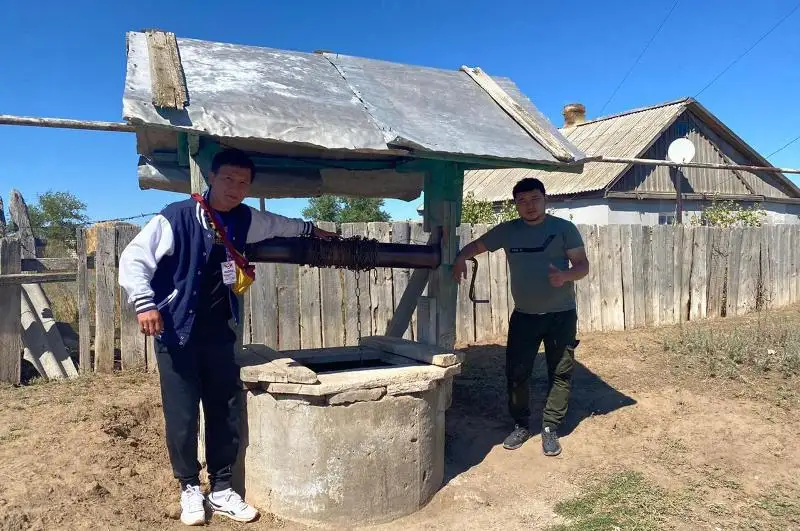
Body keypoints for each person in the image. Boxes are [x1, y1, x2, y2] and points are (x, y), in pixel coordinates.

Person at [118, 149, 336, 526]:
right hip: (176, 333)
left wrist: (310, 229)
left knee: (224, 409)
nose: (235, 188)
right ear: (212, 178)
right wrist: (144, 303)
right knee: (183, 414)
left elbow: (278, 224)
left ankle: (221, 488)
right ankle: (189, 487)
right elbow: (135, 259)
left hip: (221, 332)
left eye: (243, 182)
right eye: (228, 179)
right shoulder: (177, 217)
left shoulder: (245, 219)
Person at [452, 177, 589, 456]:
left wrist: (565, 276)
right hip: (524, 316)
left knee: (560, 372)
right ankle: (521, 425)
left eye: (535, 199)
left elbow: (583, 265)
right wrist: (459, 258)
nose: (529, 206)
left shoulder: (564, 229)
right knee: (516, 373)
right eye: (522, 201)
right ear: (515, 205)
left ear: (545, 199)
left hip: (561, 315)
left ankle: (550, 427)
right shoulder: (507, 231)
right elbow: (474, 247)